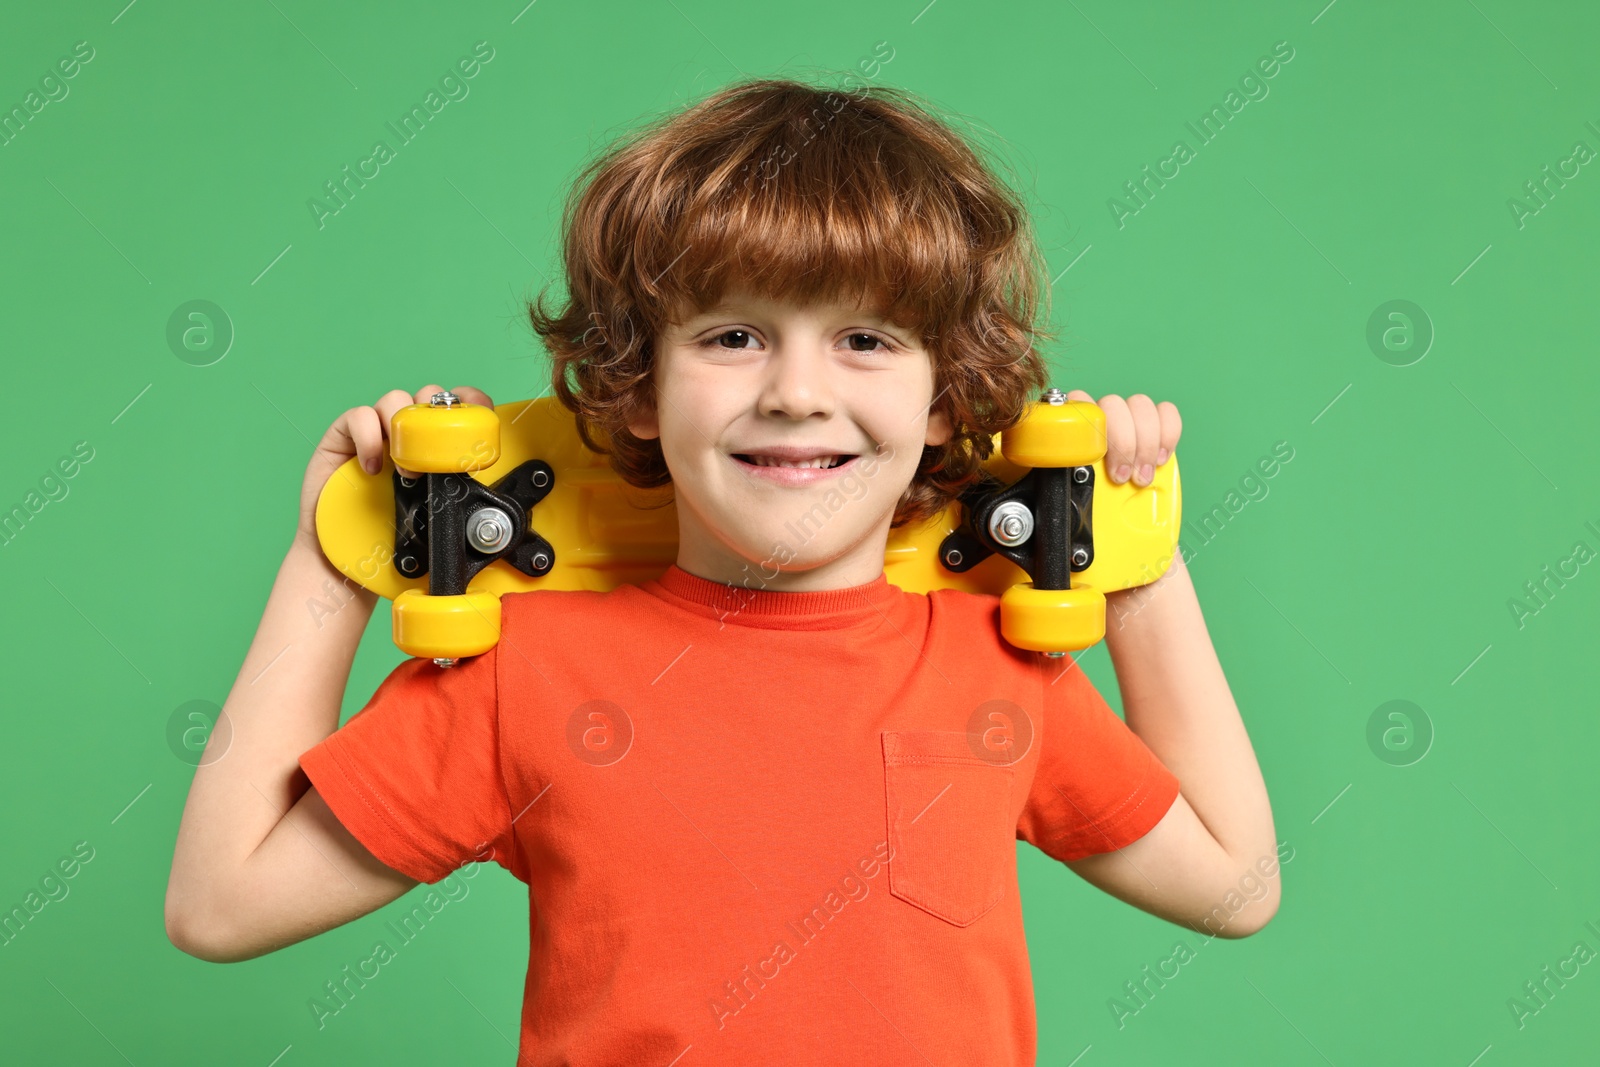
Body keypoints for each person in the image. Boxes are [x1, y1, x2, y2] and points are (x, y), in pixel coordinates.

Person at [165, 76, 1279, 1064]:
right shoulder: (522, 672)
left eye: (868, 339)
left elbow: (1235, 885)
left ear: (944, 401)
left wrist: (1135, 564)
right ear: (638, 387)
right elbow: (220, 903)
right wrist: (335, 557)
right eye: (732, 336)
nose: (796, 390)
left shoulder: (997, 666)